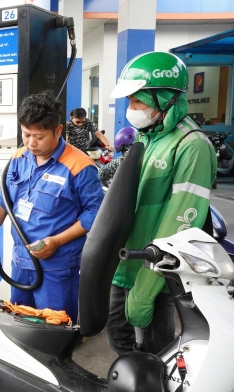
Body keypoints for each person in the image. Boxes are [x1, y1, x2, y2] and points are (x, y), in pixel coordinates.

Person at [105, 52, 217, 355]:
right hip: (126, 262)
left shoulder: (191, 145)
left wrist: (146, 286)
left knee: (156, 351)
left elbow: (182, 221)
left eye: (137, 101)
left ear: (163, 97)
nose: (131, 109)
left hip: (154, 271)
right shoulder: (149, 136)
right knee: (118, 338)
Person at [0, 91, 104, 320]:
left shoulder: (80, 166)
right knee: (19, 323)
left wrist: (56, 241)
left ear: (58, 131)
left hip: (57, 267)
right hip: (21, 262)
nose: (31, 143)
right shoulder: (19, 158)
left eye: (39, 137)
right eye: (26, 134)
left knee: (54, 329)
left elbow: (95, 213)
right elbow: (2, 199)